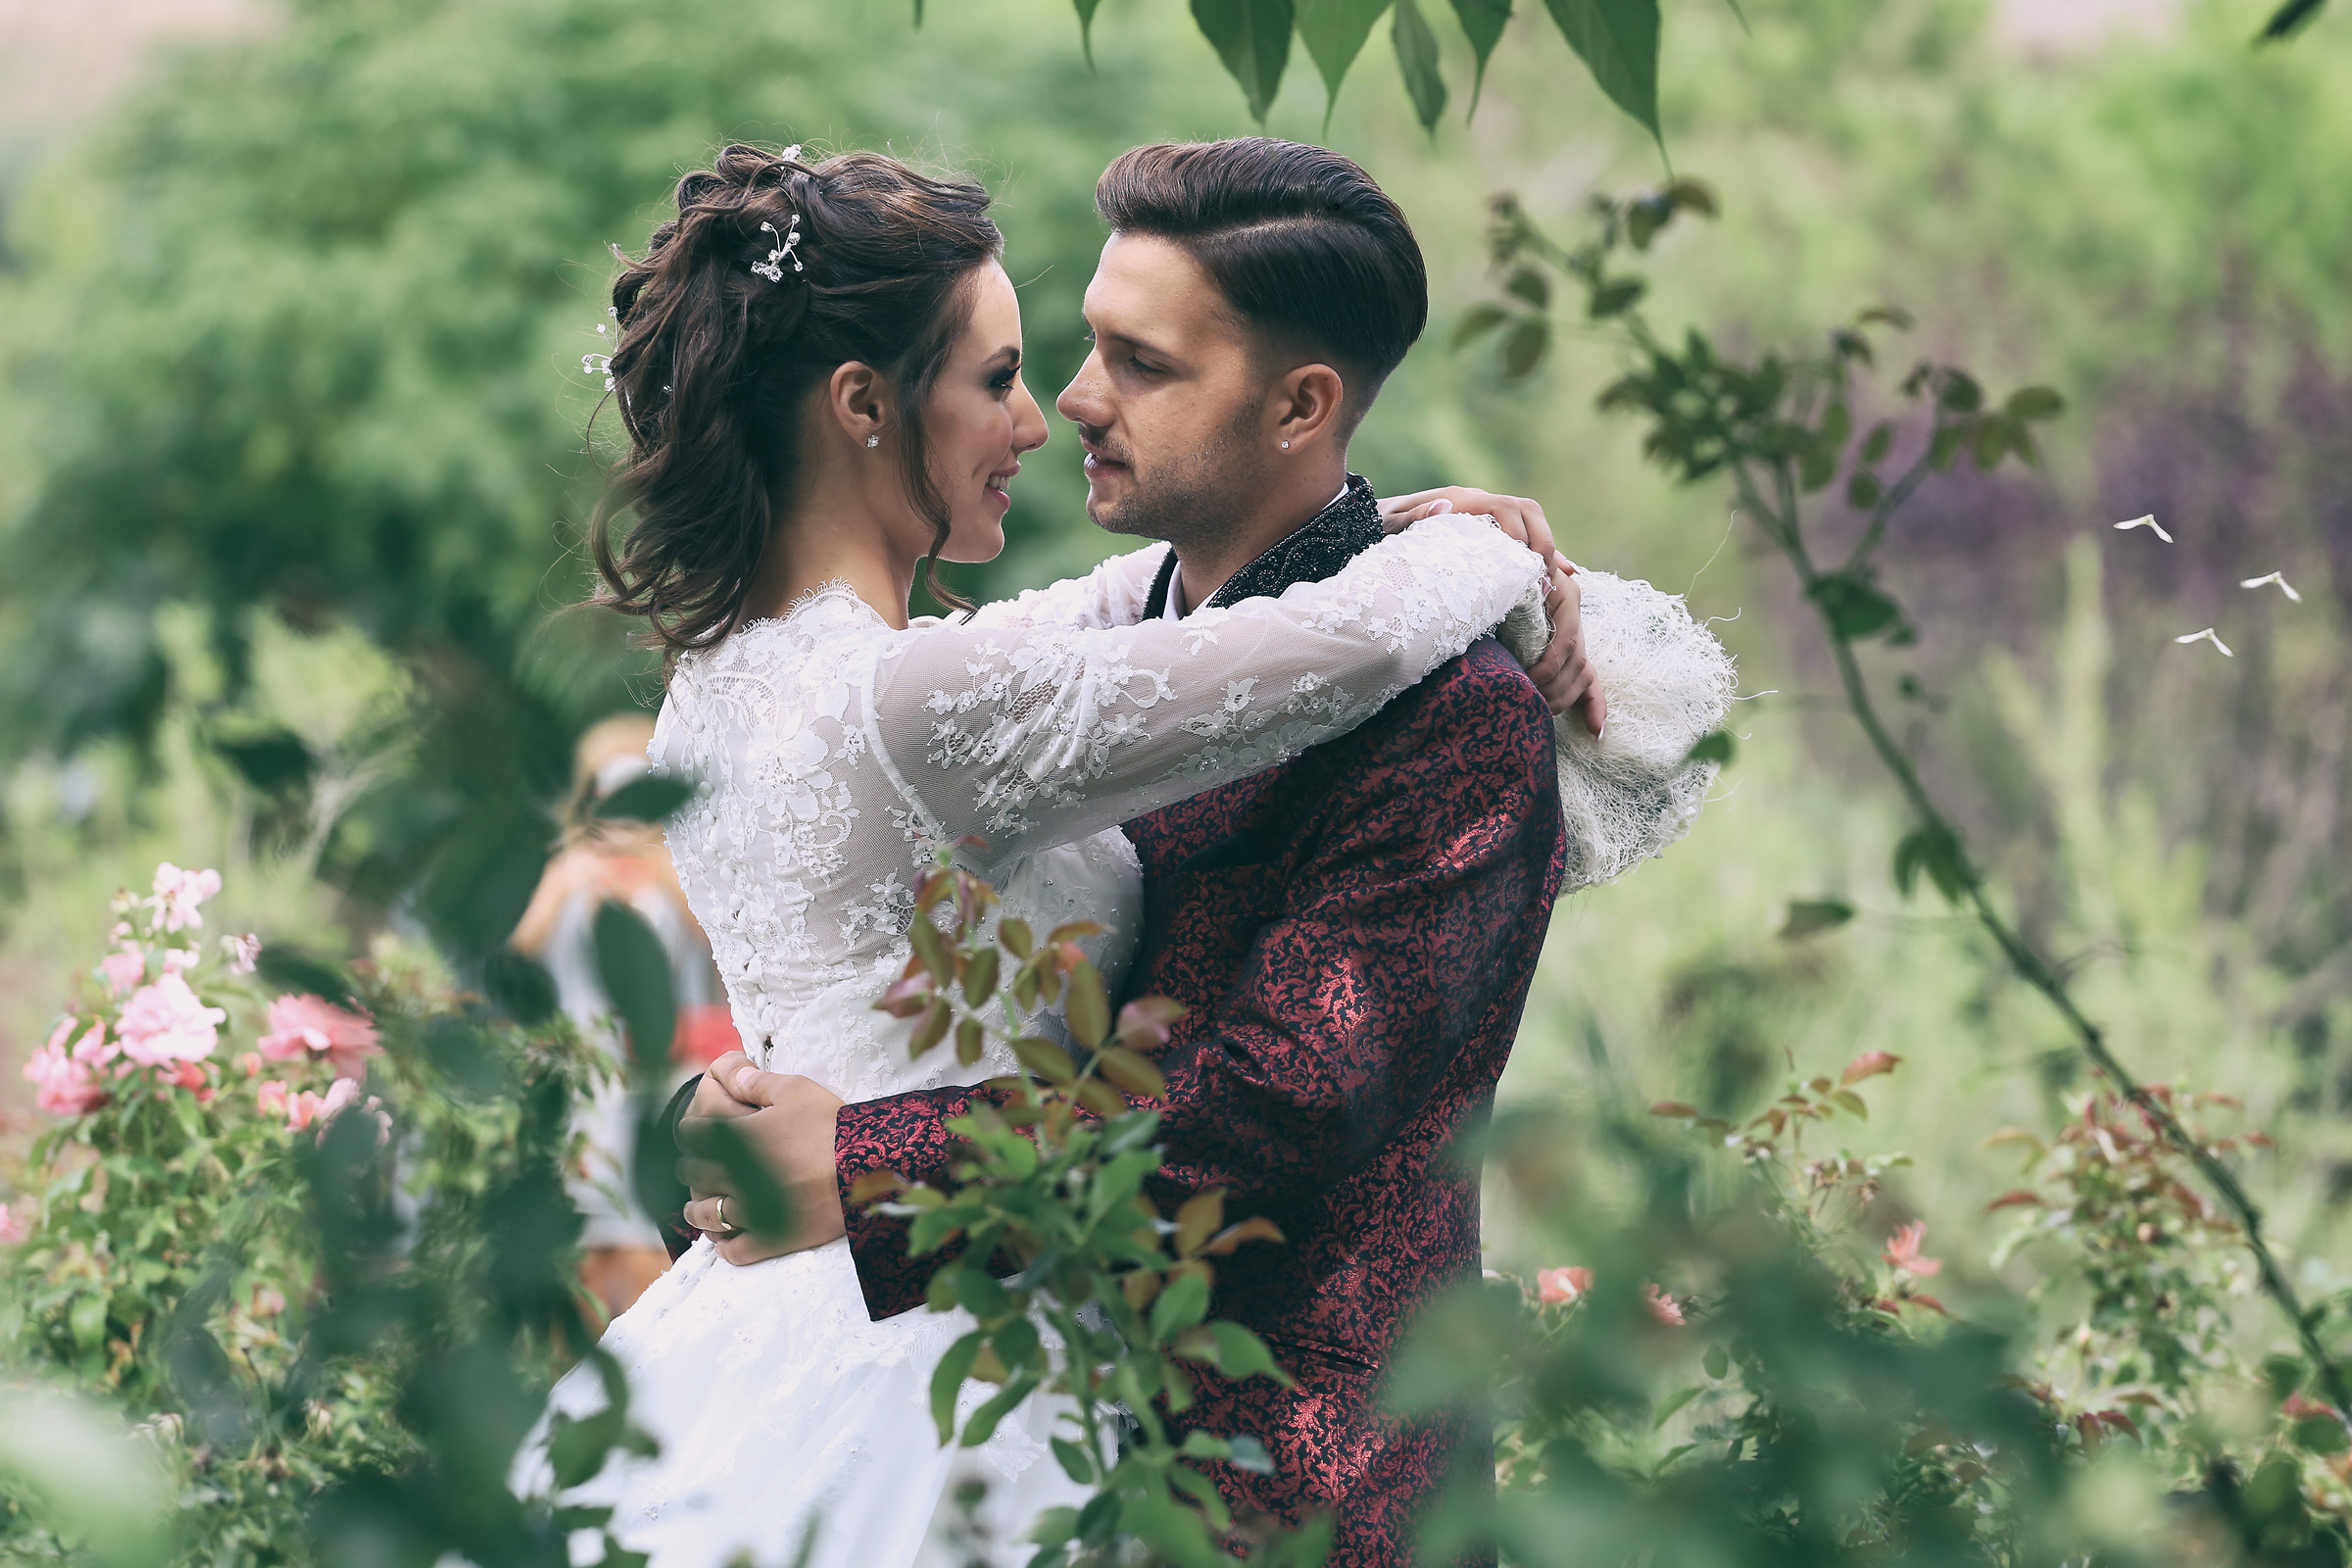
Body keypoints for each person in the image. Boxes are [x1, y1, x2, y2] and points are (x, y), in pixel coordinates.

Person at [518, 141, 1602, 1568]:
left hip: (1287, 1473)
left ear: (1301, 405)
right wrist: (1478, 549)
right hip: (964, 1382)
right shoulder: (970, 689)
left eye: (1137, 364)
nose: (1068, 405)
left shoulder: (1455, 718)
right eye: (1036, 363)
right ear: (859, 407)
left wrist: (854, 1160)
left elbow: (1275, 1111)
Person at [508, 715, 738, 1320]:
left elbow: (719, 960)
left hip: (655, 1075)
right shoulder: (566, 871)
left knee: (649, 1242)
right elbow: (517, 961)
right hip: (581, 1074)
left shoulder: (676, 876)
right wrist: (572, 878)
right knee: (583, 1248)